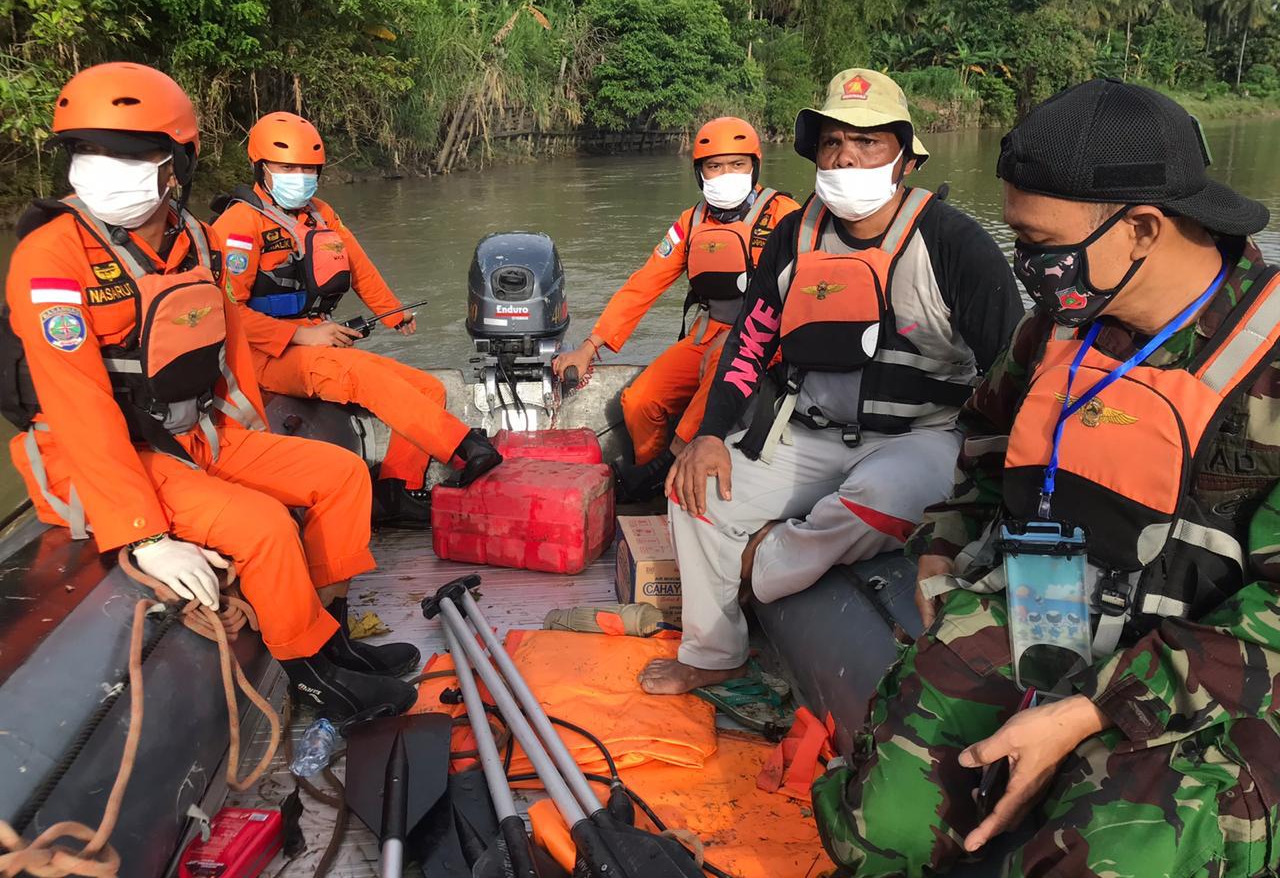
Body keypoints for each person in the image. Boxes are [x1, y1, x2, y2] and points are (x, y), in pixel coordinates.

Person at [812, 79, 1280, 876]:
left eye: (1040, 245)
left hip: (1217, 678)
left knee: (1090, 860)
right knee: (879, 827)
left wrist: (1092, 711)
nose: (1026, 268)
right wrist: (941, 547)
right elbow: (988, 448)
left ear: (1140, 228)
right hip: (1049, 616)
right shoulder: (1058, 327)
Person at [1, 63, 421, 720]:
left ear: (176, 164)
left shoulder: (192, 237)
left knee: (340, 475)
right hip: (101, 457)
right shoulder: (51, 256)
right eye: (89, 151)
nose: (107, 168)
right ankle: (312, 677)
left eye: (132, 153)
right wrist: (142, 534)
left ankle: (328, 633)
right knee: (261, 525)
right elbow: (76, 402)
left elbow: (222, 351)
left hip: (191, 434)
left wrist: (246, 436)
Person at [646, 69, 1022, 695]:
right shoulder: (795, 235)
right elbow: (750, 344)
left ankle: (756, 565)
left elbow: (1013, 371)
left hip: (921, 436)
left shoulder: (954, 242)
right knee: (695, 489)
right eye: (831, 142)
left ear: (903, 157)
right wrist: (710, 433)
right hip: (811, 429)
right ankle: (714, 653)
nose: (846, 156)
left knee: (880, 497)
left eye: (868, 142)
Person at [209, 112, 499, 523]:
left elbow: (358, 267)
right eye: (288, 167)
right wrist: (300, 338)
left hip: (316, 336)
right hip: (262, 354)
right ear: (262, 168)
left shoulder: (322, 214)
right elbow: (224, 313)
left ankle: (396, 490)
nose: (300, 176)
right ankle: (467, 446)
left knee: (428, 387)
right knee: (362, 377)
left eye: (308, 168)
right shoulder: (239, 224)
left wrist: (391, 313)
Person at [552, 117, 799, 501]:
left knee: (722, 370)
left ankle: (665, 468)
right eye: (714, 166)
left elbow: (805, 295)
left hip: (765, 342)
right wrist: (590, 346)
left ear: (755, 166)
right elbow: (644, 284)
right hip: (709, 333)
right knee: (639, 400)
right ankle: (657, 484)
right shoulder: (691, 223)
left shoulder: (784, 215)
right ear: (700, 173)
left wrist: (739, 343)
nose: (726, 174)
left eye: (737, 164)